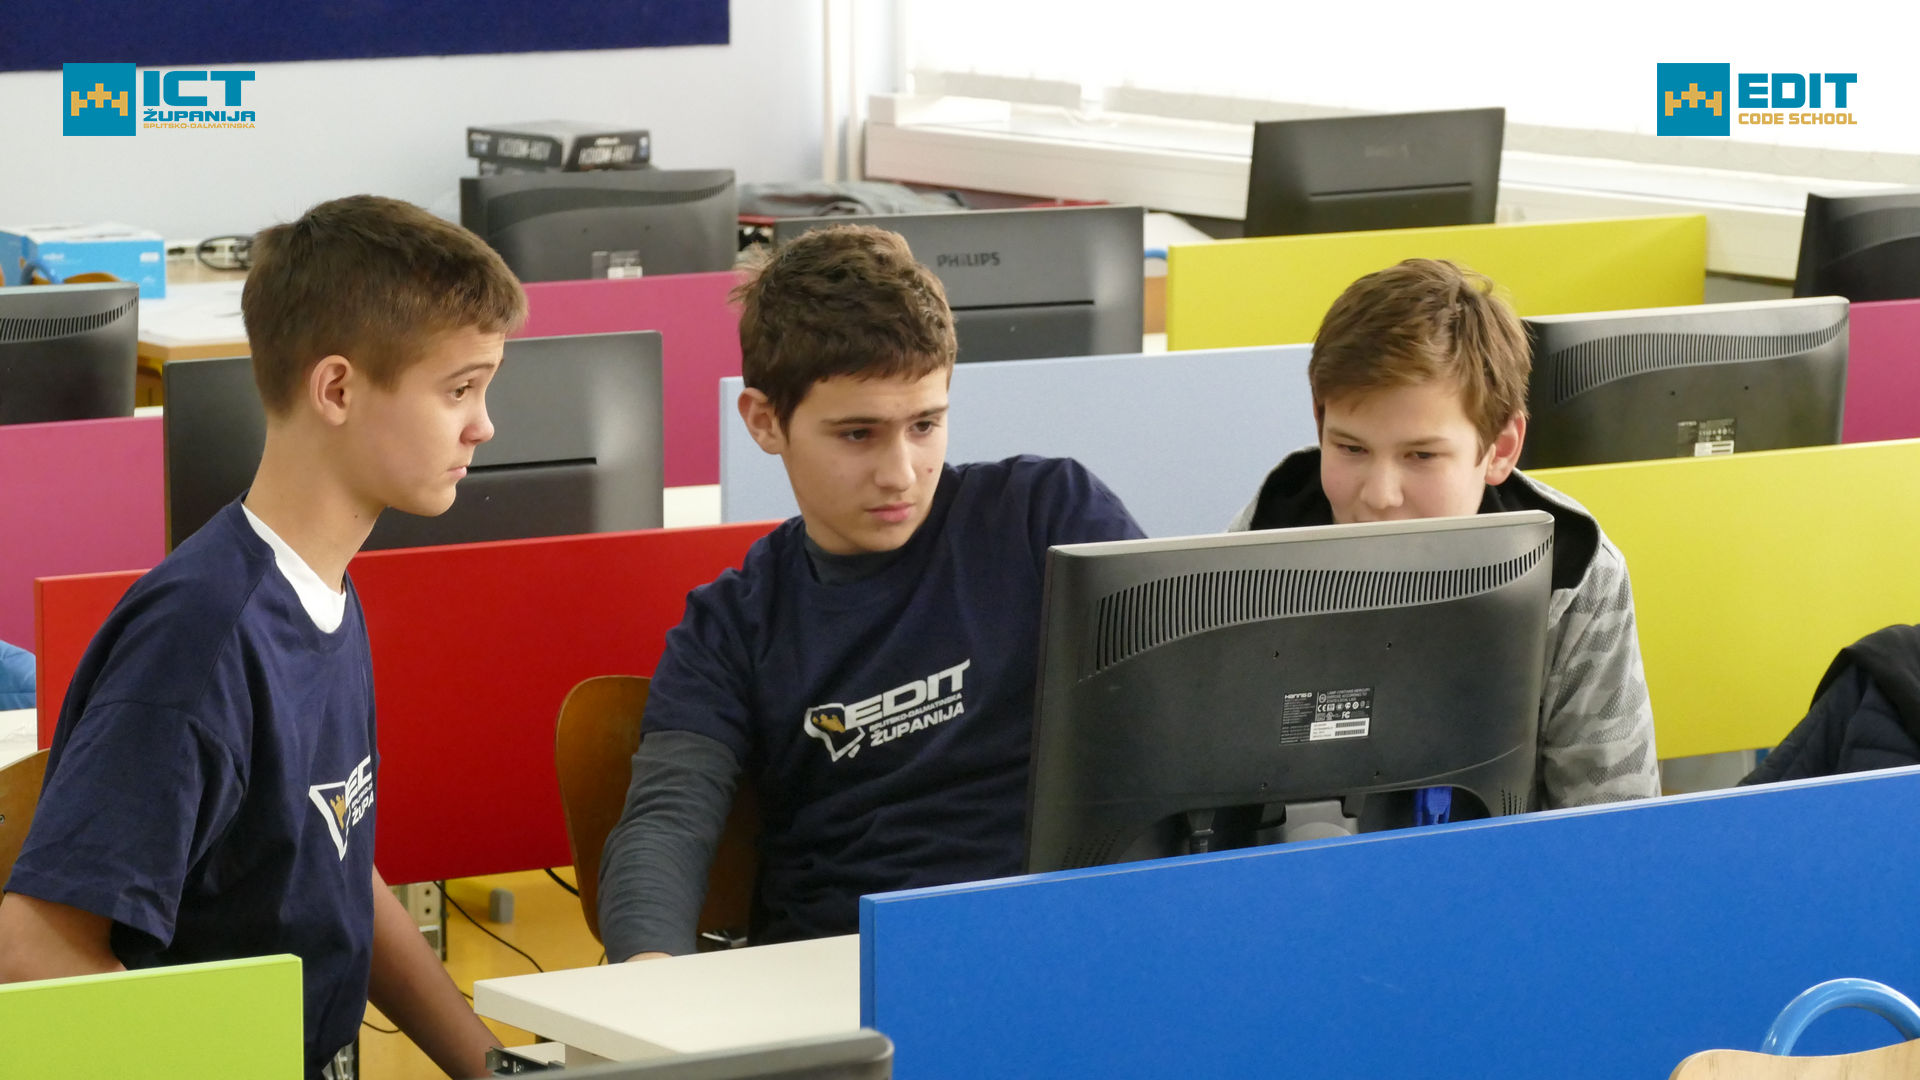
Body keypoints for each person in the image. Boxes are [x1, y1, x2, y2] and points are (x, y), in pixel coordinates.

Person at [0, 195, 527, 1080]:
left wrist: (493, 1068)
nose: (484, 425)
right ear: (337, 390)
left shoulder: (320, 591)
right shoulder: (200, 642)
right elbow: (35, 955)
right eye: (459, 389)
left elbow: (332, 861)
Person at [598, 224, 1145, 961]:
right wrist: (650, 973)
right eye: (858, 434)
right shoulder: (731, 627)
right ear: (765, 421)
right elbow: (667, 823)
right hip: (844, 967)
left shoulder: (1047, 516)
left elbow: (1180, 715)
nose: (900, 473)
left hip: (1068, 941)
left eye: (925, 425)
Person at [1229, 258, 1659, 808]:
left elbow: (1612, 822)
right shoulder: (1259, 540)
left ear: (1500, 449)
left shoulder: (1574, 574)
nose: (1380, 495)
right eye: (1351, 448)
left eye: (1422, 456)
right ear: (1320, 424)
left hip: (1500, 862)